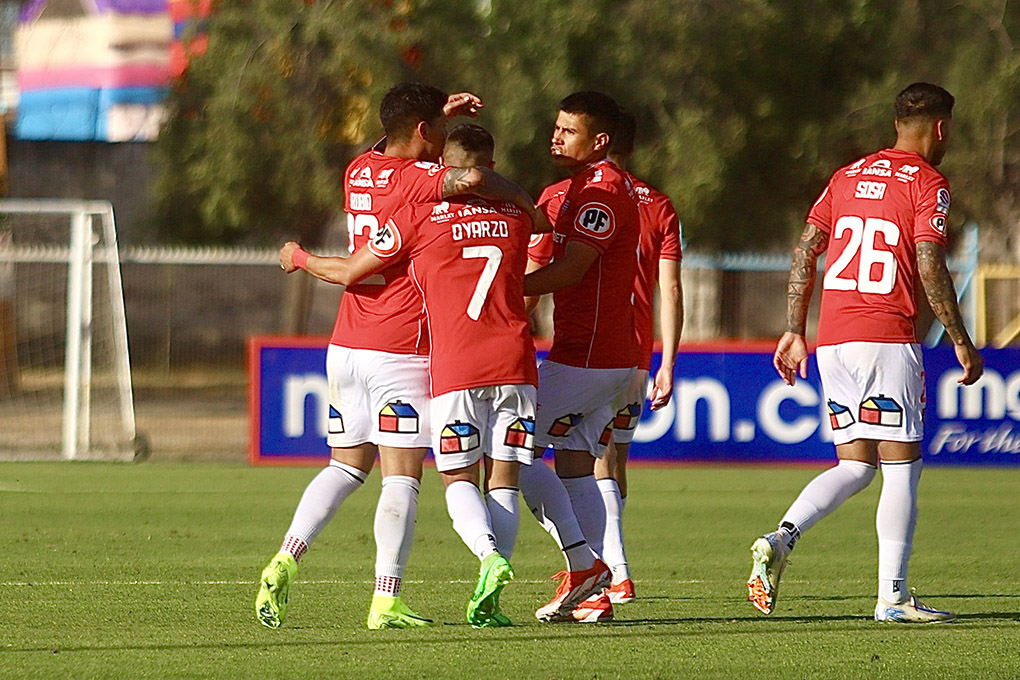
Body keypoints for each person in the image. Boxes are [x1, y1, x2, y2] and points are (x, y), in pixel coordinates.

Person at [256, 82, 543, 631]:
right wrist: (524, 201)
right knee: (403, 479)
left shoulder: (358, 170)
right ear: (422, 132)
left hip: (345, 345)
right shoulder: (425, 185)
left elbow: (390, 145)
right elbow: (474, 177)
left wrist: (296, 255)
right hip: (401, 347)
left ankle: (287, 554)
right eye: (435, 129)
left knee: (344, 465)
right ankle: (386, 597)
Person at [746, 82, 983, 623]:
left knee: (855, 466)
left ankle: (780, 537)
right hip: (886, 339)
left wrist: (792, 328)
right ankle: (893, 597)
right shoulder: (929, 182)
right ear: (941, 128)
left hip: (834, 341)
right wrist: (961, 339)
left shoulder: (846, 176)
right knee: (902, 471)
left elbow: (807, 249)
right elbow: (929, 264)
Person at [519, 91, 641, 623]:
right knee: (573, 466)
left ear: (601, 140)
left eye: (569, 130)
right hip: (604, 358)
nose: (556, 136)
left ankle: (584, 567)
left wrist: (501, 292)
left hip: (588, 358)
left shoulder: (602, 192)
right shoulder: (564, 190)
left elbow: (571, 270)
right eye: (556, 126)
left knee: (512, 451)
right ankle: (595, 593)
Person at [595, 110, 684, 604]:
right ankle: (608, 562)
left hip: (592, 349)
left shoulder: (575, 196)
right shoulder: (659, 205)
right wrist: (668, 361)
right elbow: (669, 288)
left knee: (575, 461)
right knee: (613, 460)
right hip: (637, 353)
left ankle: (611, 570)